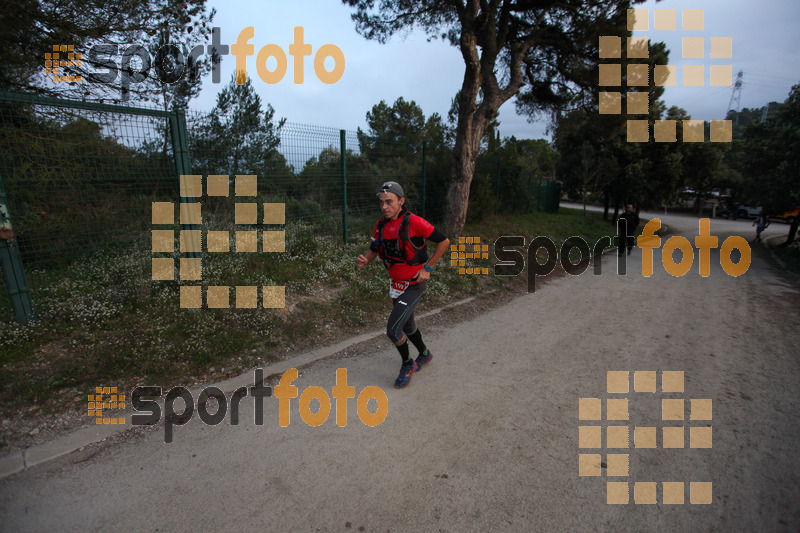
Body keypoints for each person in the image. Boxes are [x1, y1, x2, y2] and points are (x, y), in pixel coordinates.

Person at [356, 181, 451, 388]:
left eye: (389, 202)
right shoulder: (380, 225)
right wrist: (367, 260)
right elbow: (374, 249)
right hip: (396, 285)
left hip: (413, 285)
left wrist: (428, 268)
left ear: (401, 201)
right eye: (381, 203)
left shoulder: (415, 222)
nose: (384, 207)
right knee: (407, 325)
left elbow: (444, 241)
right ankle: (424, 354)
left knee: (393, 329)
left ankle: (407, 364)